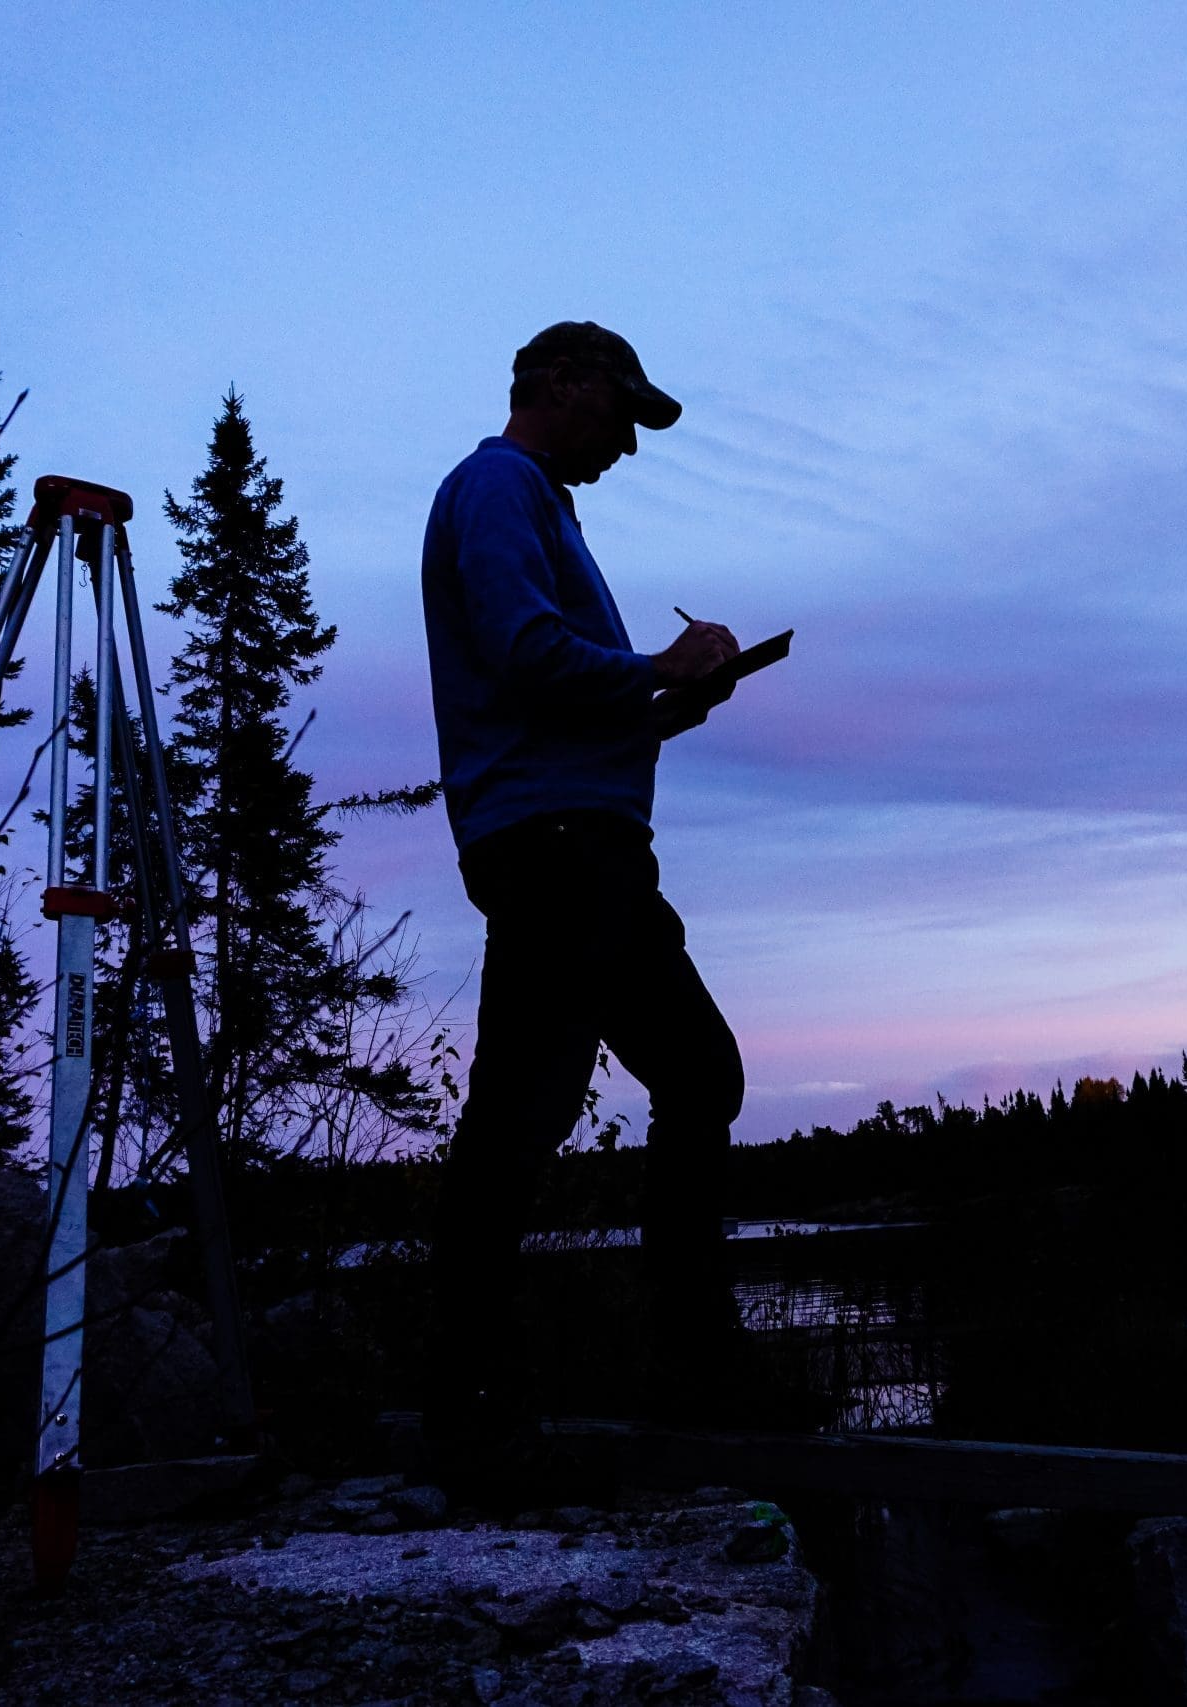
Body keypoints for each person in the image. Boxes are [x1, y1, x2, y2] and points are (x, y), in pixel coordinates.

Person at [417, 321, 761, 1482]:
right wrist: (655, 670)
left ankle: (476, 1386)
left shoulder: (532, 501)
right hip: (561, 847)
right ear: (558, 385)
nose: (627, 441)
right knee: (640, 1085)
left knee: (537, 1106)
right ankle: (682, 1371)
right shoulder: (500, 486)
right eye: (621, 411)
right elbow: (522, 650)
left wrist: (669, 706)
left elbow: (555, 698)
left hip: (571, 841)